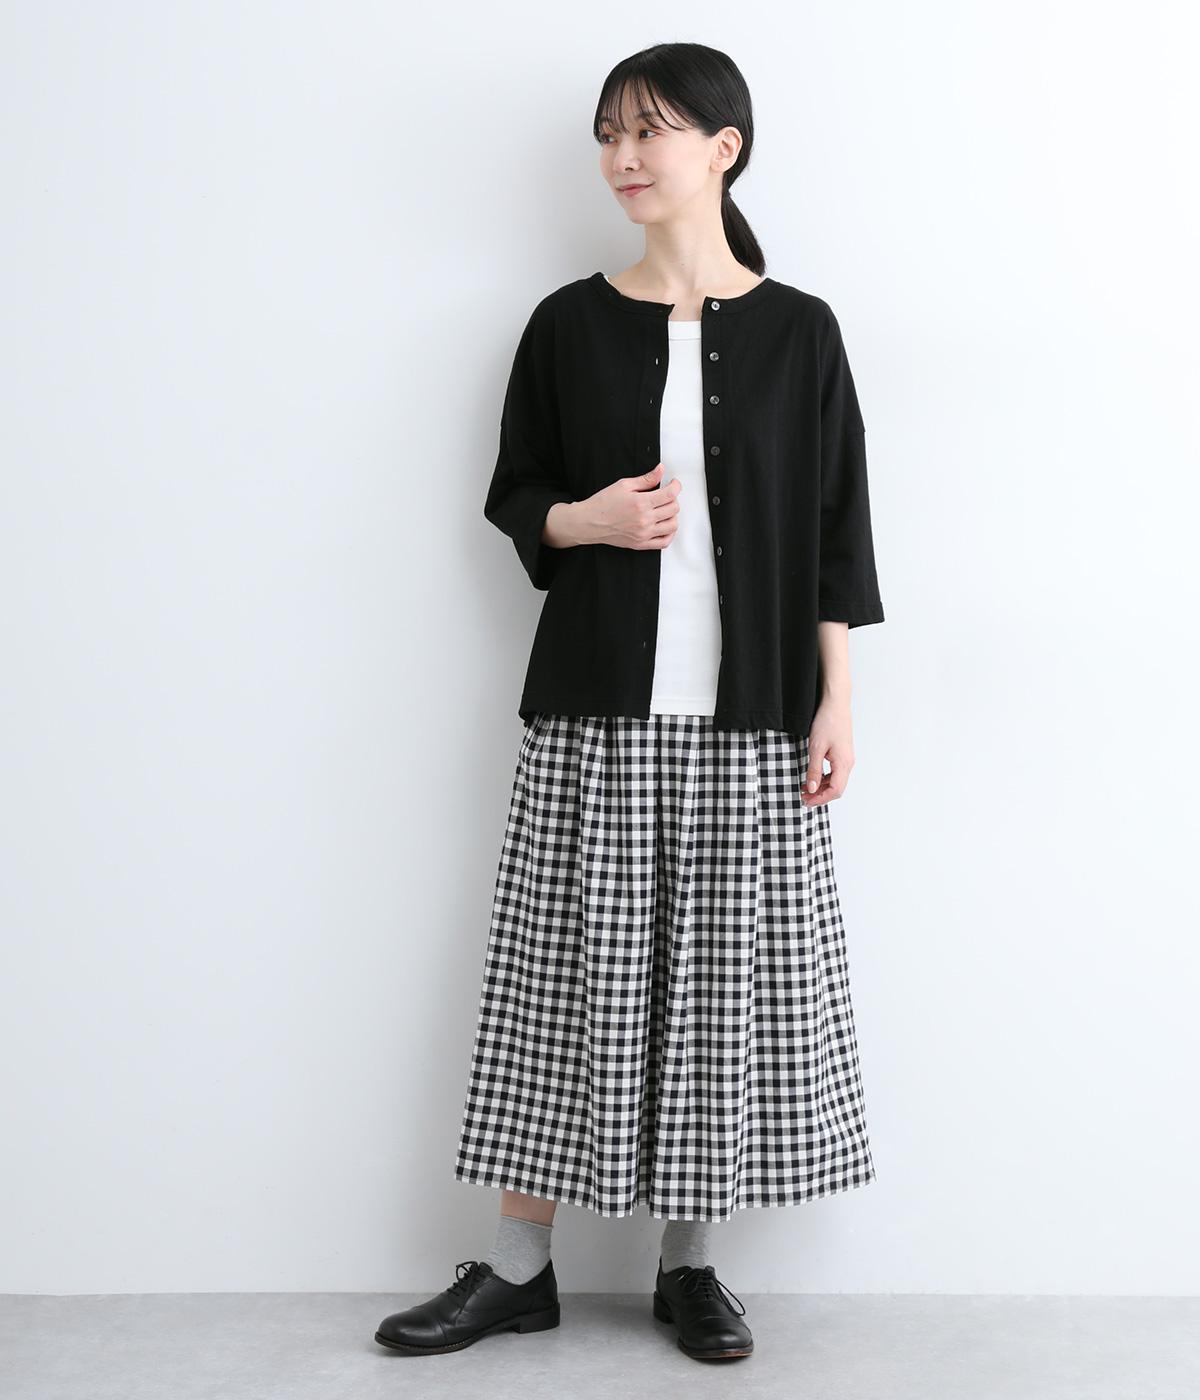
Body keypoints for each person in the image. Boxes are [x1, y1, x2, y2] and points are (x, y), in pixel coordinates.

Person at [376, 41, 885, 1363]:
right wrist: (584, 518)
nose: (622, 157)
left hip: (750, 722)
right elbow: (514, 493)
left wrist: (836, 700)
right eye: (609, 133)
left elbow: (838, 538)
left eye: (649, 130)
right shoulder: (567, 322)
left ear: (724, 147)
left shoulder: (802, 333)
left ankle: (690, 1266)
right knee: (554, 984)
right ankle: (518, 1267)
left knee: (718, 992)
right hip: (595, 712)